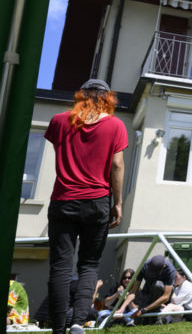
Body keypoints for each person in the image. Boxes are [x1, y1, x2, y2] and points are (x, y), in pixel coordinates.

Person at [44, 78, 127, 334]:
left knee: (60, 265)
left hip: (63, 200)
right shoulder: (116, 125)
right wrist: (118, 203)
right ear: (108, 98)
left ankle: (58, 327)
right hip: (97, 202)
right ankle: (78, 322)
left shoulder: (59, 121)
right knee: (89, 265)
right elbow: (117, 165)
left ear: (80, 96)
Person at [113, 255, 175, 324]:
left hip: (160, 294)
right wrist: (122, 308)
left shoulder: (170, 270)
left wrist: (144, 310)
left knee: (158, 285)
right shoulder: (144, 266)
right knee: (138, 322)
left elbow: (166, 297)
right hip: (147, 290)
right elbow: (133, 291)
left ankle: (156, 319)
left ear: (163, 266)